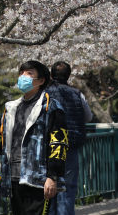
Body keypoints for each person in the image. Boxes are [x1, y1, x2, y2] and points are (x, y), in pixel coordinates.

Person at [0, 60, 69, 215]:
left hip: (38, 180)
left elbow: (59, 144)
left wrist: (52, 176)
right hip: (13, 178)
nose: (23, 77)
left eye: (29, 73)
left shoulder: (51, 107)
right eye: (21, 73)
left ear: (41, 81)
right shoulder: (11, 108)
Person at [46, 61, 91, 215]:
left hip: (49, 146)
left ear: (51, 75)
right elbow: (88, 116)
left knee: (48, 186)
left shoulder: (44, 93)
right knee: (68, 187)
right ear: (69, 75)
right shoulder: (77, 93)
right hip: (71, 144)